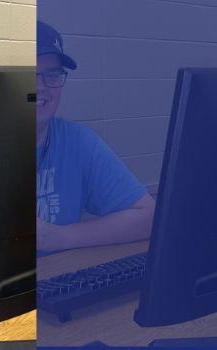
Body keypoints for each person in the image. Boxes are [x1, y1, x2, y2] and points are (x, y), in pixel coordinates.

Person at [35, 21, 155, 255]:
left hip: (57, 279)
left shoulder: (77, 142)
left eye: (52, 74)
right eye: (31, 74)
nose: (41, 87)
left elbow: (148, 216)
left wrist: (60, 237)